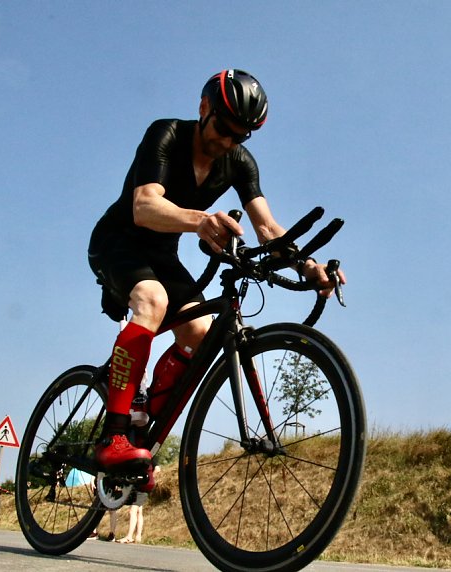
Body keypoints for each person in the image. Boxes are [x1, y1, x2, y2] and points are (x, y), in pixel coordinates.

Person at [88, 69, 344, 484]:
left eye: (240, 136)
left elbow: (268, 228)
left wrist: (307, 265)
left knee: (200, 334)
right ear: (204, 108)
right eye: (224, 129)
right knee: (152, 301)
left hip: (162, 254)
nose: (227, 141)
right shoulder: (166, 134)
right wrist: (201, 220)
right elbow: (144, 206)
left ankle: (141, 427)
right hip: (119, 244)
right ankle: (114, 436)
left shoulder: (239, 163)